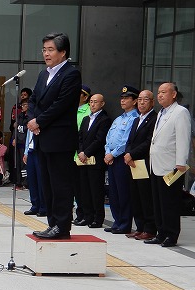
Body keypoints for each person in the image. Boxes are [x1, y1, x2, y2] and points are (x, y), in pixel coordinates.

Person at [28, 32, 82, 240]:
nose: (46, 54)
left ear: (63, 52)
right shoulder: (44, 74)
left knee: (61, 184)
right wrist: (32, 120)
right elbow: (33, 100)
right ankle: (52, 223)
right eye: (44, 50)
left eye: (50, 49)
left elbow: (61, 105)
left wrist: (39, 121)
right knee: (47, 184)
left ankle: (62, 225)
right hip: (42, 138)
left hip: (60, 139)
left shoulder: (71, 74)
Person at [146, 83, 191, 247]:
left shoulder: (180, 112)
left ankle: (171, 235)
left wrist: (181, 162)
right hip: (156, 164)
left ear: (174, 94)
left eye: (164, 92)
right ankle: (161, 232)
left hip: (171, 166)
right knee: (158, 202)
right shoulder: (161, 113)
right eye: (158, 92)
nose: (160, 95)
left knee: (169, 203)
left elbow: (183, 138)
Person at [103, 86, 140, 234]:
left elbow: (126, 141)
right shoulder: (119, 119)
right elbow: (109, 138)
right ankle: (117, 221)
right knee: (114, 192)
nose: (123, 101)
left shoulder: (134, 118)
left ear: (135, 101)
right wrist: (107, 152)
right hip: (111, 158)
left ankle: (124, 223)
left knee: (123, 192)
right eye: (122, 98)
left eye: (127, 98)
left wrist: (113, 154)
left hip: (122, 159)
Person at [123, 90, 157, 240]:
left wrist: (132, 154)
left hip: (144, 162)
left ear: (152, 102)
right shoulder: (137, 119)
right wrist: (128, 154)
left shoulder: (154, 118)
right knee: (135, 196)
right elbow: (130, 140)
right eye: (140, 100)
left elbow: (149, 141)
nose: (142, 103)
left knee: (145, 197)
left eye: (146, 100)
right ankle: (140, 227)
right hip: (133, 163)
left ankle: (149, 229)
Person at [73, 93, 110, 228]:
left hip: (95, 160)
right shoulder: (86, 119)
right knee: (84, 190)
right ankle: (87, 216)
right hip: (83, 160)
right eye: (91, 102)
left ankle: (97, 218)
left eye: (96, 102)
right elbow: (80, 138)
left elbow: (99, 140)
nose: (93, 104)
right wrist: (80, 152)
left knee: (96, 190)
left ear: (102, 104)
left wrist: (86, 152)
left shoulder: (105, 120)